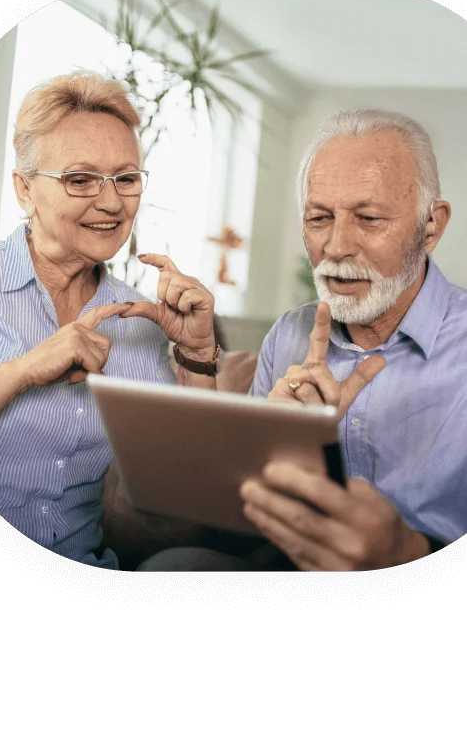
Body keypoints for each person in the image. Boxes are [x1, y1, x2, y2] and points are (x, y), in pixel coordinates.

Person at [140, 110, 465, 573]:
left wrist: (408, 555)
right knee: (168, 567)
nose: (335, 246)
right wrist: (266, 445)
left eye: (368, 218)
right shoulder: (290, 334)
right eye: (319, 218)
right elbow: (235, 519)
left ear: (430, 226)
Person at [0, 73, 223, 568]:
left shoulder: (138, 320)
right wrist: (25, 368)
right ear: (25, 191)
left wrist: (198, 357)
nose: (112, 202)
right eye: (80, 179)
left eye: (126, 178)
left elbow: (186, 490)